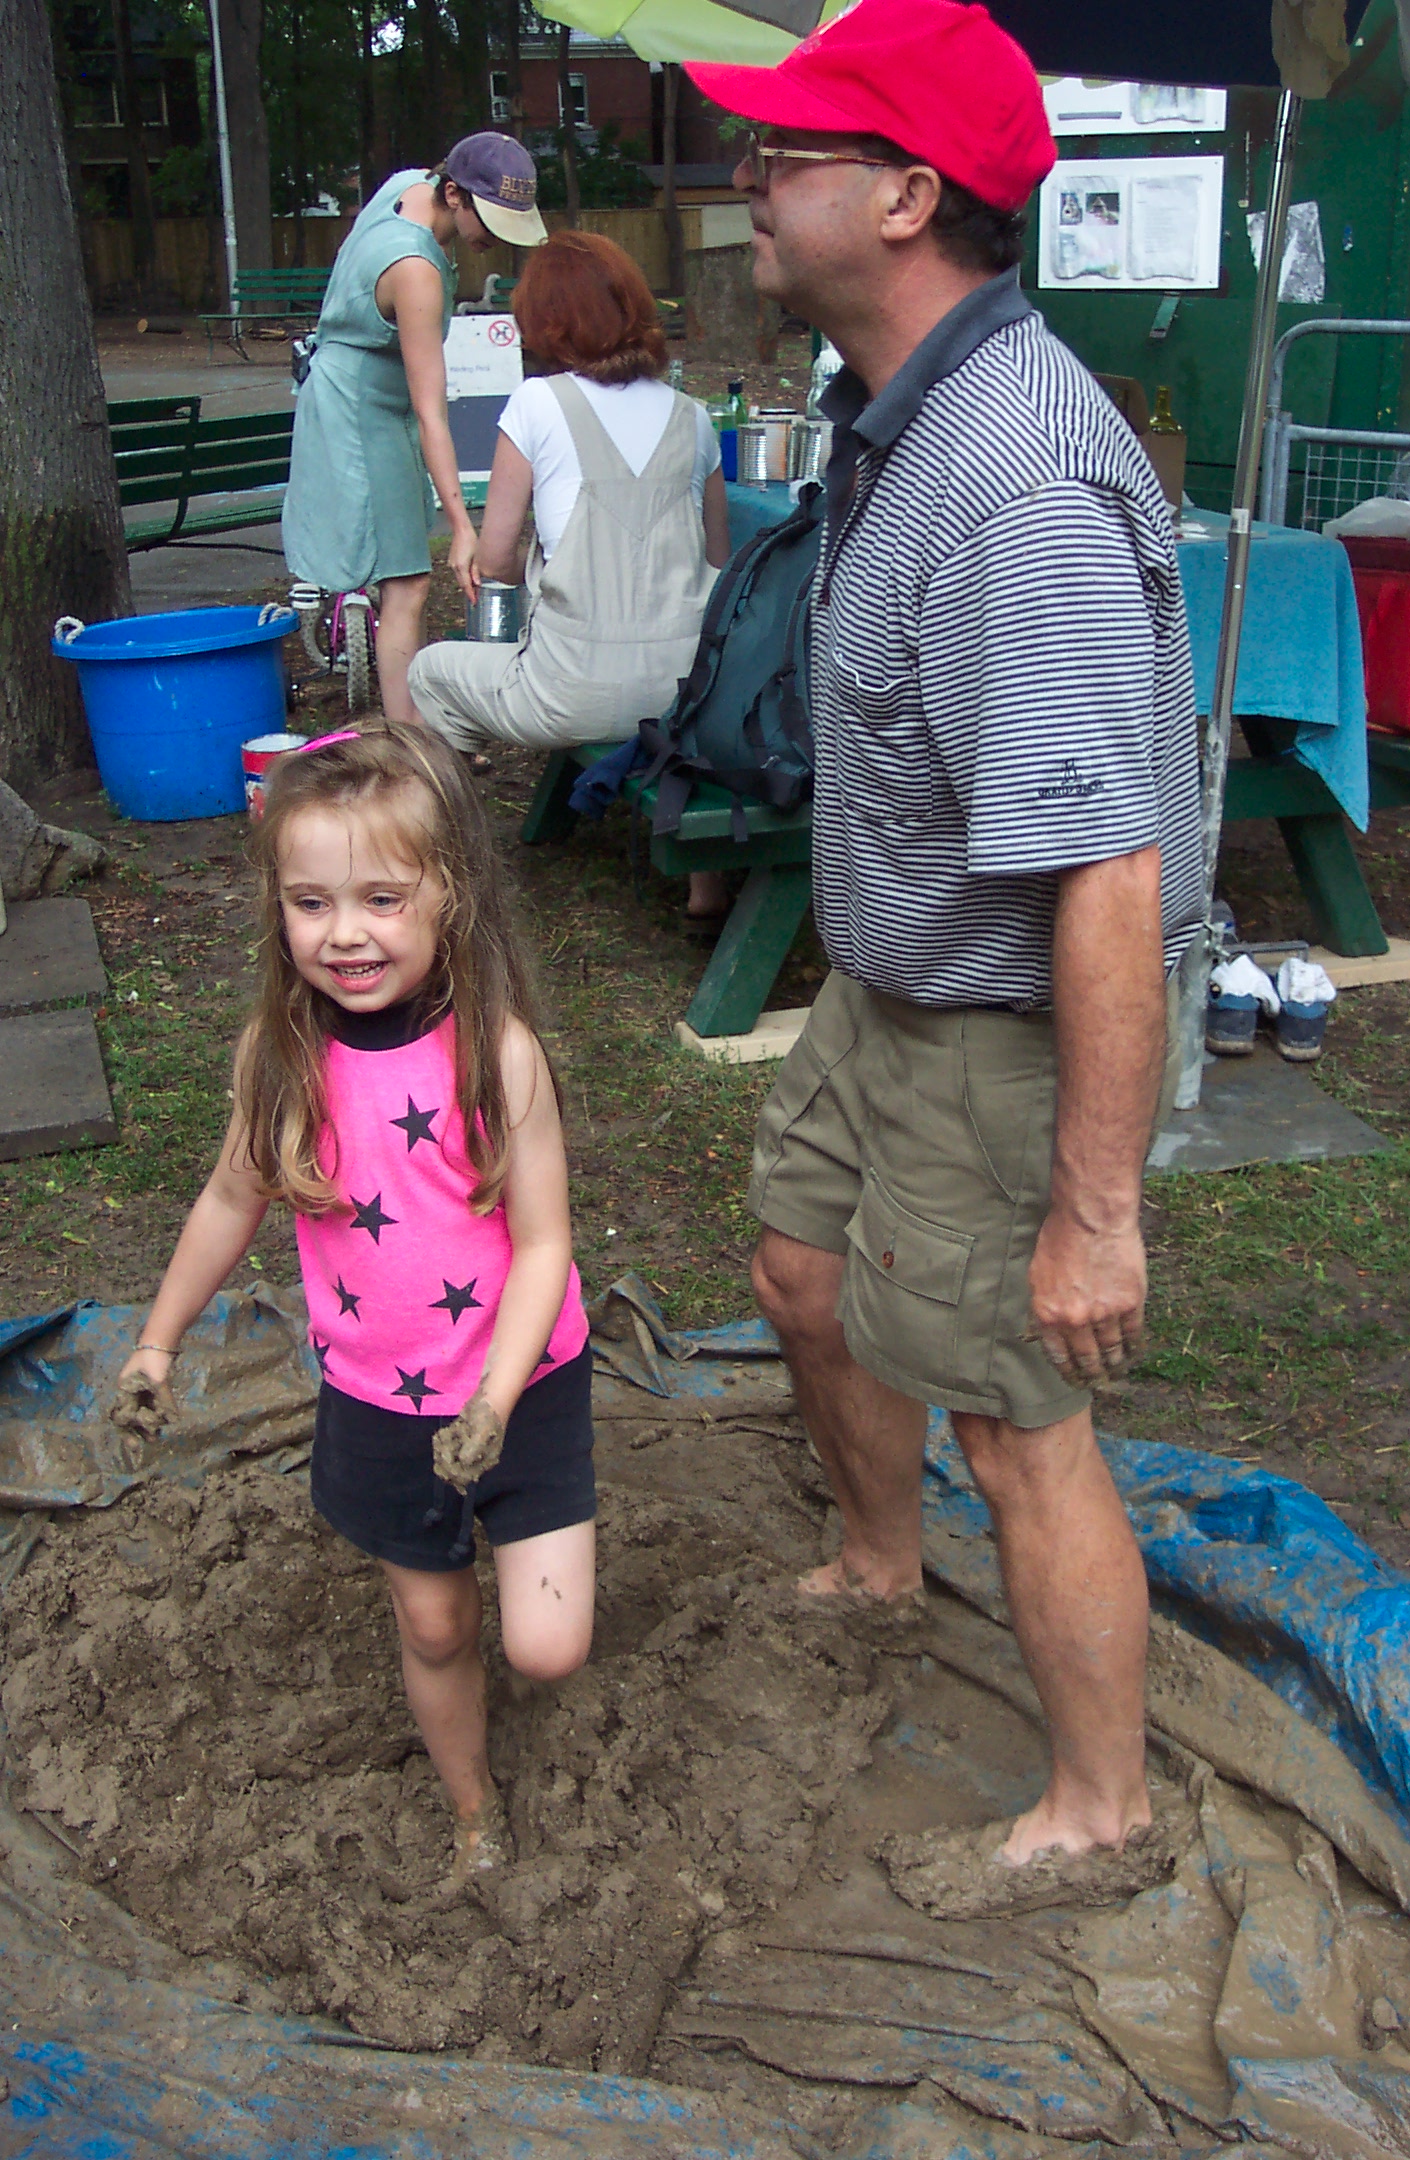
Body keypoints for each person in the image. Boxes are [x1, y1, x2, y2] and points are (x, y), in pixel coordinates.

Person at [688, 0, 1205, 1919]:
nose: (750, 178)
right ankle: (881, 1561)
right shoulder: (894, 407)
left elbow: (1111, 879)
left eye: (787, 152)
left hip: (1002, 1028)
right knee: (801, 1271)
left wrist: (1093, 1212)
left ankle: (1100, 1807)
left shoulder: (1019, 481)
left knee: (1018, 1418)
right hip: (885, 988)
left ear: (908, 197)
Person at [110, 723, 593, 1885]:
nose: (345, 933)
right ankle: (474, 1812)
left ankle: (527, 1571)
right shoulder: (277, 1058)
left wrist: (494, 1401)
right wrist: (156, 1343)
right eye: (311, 902)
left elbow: (544, 1247)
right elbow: (229, 1199)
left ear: (449, 893)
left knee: (547, 1647)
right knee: (435, 1624)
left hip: (520, 1385)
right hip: (379, 1398)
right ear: (278, 908)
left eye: (382, 898)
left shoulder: (500, 1054)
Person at [407, 230, 731, 919]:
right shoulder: (694, 418)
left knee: (429, 673)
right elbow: (717, 562)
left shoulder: (537, 404)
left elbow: (496, 560)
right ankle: (707, 888)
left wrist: (486, 554)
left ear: (546, 321)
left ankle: (446, 860)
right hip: (684, 698)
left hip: (571, 692)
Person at [283, 137, 547, 724]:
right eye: (490, 220)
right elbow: (433, 411)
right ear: (453, 193)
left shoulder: (407, 185)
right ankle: (410, 743)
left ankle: (413, 725)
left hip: (356, 392)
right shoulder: (417, 272)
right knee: (407, 583)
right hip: (360, 413)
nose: (498, 238)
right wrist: (461, 526)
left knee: (401, 574)